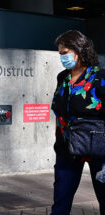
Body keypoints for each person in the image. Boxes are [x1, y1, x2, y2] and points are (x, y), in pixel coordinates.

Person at [51, 30, 105, 214]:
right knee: (60, 201)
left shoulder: (100, 78)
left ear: (79, 51)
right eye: (60, 54)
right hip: (67, 148)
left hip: (99, 149)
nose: (62, 58)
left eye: (65, 53)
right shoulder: (62, 78)